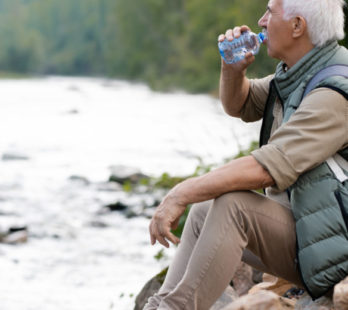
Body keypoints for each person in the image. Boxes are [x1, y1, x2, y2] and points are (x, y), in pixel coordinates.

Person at [144, 0, 348, 309]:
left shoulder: (333, 92)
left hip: (337, 244)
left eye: (270, 11)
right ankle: (159, 304)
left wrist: (181, 192)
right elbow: (243, 104)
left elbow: (267, 167)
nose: (261, 20)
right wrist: (232, 69)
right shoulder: (301, 74)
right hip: (313, 231)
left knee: (234, 205)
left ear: (297, 26)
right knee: (203, 210)